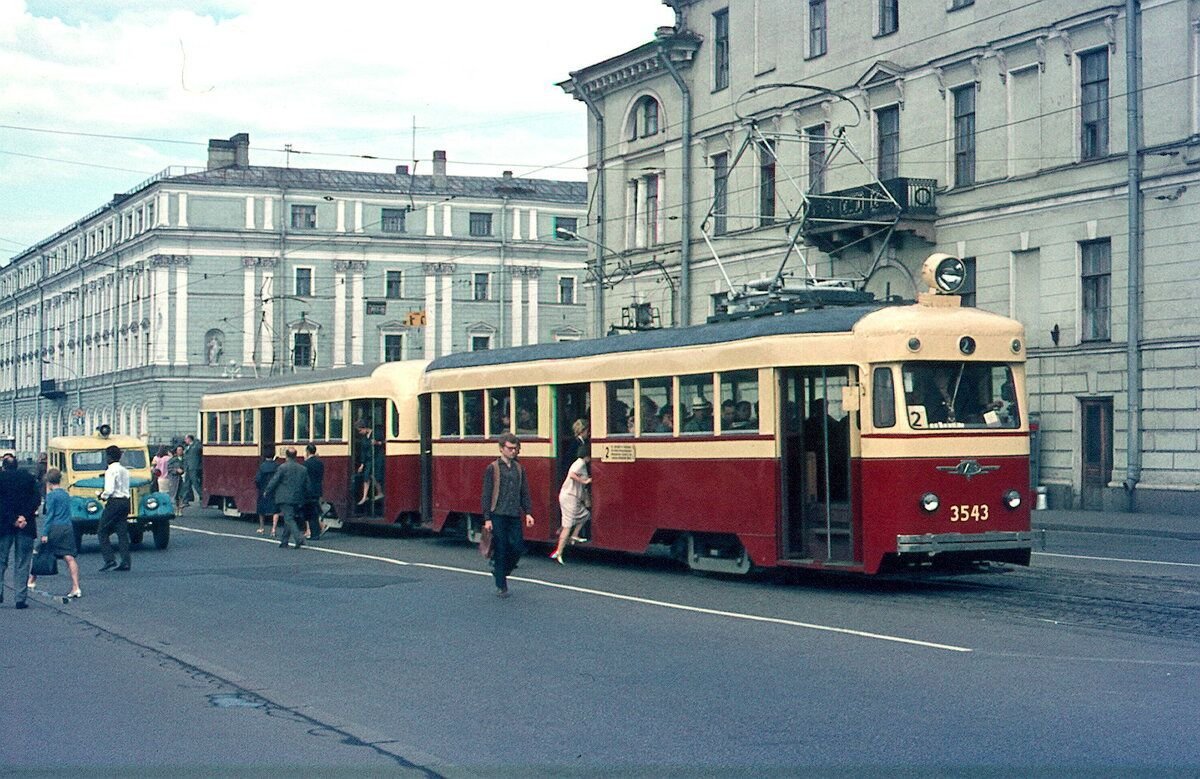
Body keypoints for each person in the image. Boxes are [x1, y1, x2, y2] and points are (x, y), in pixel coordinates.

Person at [480, 433, 534, 598]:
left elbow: (524, 491)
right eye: (510, 448)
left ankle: (501, 571)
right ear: (501, 449)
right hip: (498, 514)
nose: (513, 451)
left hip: (513, 514)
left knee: (517, 547)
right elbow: (487, 494)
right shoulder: (493, 468)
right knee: (502, 548)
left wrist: (528, 512)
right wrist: (487, 518)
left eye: (515, 448)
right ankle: (501, 585)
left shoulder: (519, 468)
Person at [29, 468, 81, 599]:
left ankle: (31, 581)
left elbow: (49, 515)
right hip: (67, 527)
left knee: (39, 551)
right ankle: (76, 587)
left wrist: (45, 533)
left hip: (55, 527)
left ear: (49, 482)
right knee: (69, 557)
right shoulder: (65, 494)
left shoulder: (51, 496)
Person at [0, 453, 41, 608]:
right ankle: (20, 598)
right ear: (17, 465)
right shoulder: (28, 478)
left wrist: (12, 519)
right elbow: (36, 499)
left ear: (4, 466)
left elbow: (2, 504)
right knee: (22, 561)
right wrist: (23, 516)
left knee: (1, 560)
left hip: (3, 525)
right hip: (26, 525)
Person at [550, 443, 591, 564]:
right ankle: (559, 552)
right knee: (567, 525)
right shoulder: (580, 463)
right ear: (587, 455)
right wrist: (584, 481)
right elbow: (572, 475)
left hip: (572, 497)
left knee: (585, 515)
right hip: (569, 497)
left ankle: (574, 535)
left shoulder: (580, 463)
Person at [97, 444, 132, 572]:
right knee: (122, 532)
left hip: (115, 502)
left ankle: (109, 559)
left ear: (109, 457)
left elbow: (109, 489)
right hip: (125, 501)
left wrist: (102, 496)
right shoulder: (125, 470)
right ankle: (126, 561)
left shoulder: (110, 470)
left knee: (102, 530)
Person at [265, 447, 309, 549]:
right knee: (289, 517)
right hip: (298, 497)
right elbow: (307, 484)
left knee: (289, 518)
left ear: (287, 456)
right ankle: (284, 541)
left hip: (284, 497)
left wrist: (267, 490)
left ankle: (299, 538)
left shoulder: (282, 467)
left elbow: (274, 481)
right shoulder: (303, 469)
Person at [355, 421, 384, 507]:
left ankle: (380, 492)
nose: (360, 433)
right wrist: (362, 464)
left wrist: (378, 443)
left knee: (375, 475)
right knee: (366, 476)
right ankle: (364, 497)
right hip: (368, 459)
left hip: (377, 457)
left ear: (364, 428)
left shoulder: (377, 433)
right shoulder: (364, 438)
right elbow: (363, 451)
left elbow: (386, 442)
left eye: (360, 431)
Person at [303, 443, 325, 540]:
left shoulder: (306, 464)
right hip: (318, 488)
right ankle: (318, 528)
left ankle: (313, 532)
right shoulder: (320, 463)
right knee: (316, 509)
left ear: (307, 451)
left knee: (310, 512)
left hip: (309, 490)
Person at [254, 453, 280, 535]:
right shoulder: (277, 466)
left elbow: (257, 479)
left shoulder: (262, 466)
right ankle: (273, 529)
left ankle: (262, 528)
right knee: (275, 510)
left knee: (261, 509)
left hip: (263, 489)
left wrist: (259, 487)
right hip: (274, 490)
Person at [180, 433, 203, 509]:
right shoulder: (188, 447)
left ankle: (202, 496)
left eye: (186, 439)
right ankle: (185, 501)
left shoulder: (196, 446)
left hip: (194, 467)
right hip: (188, 468)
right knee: (186, 485)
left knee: (196, 483)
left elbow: (200, 448)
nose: (185, 440)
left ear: (189, 439)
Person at [165, 445, 185, 513]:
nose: (180, 451)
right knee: (176, 495)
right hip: (175, 479)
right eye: (179, 450)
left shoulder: (185, 459)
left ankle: (181, 509)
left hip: (184, 479)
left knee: (182, 494)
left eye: (181, 450)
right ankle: (177, 509)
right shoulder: (173, 460)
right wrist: (176, 470)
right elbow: (169, 468)